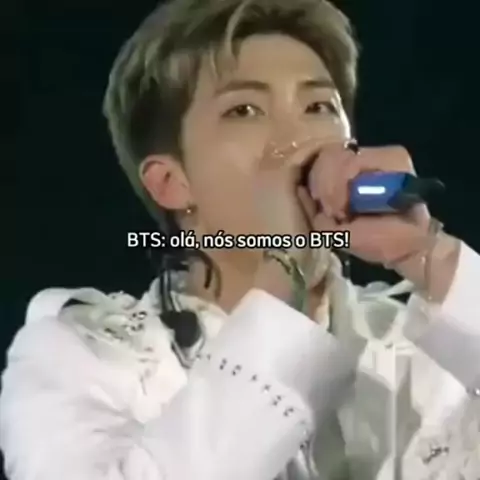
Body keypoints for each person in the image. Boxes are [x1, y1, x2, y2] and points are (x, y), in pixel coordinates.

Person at [1, 0, 479, 478]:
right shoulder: (78, 356)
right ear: (171, 183)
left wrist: (428, 256)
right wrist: (284, 270)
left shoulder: (423, 348)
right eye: (245, 110)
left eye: (318, 106)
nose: (299, 138)